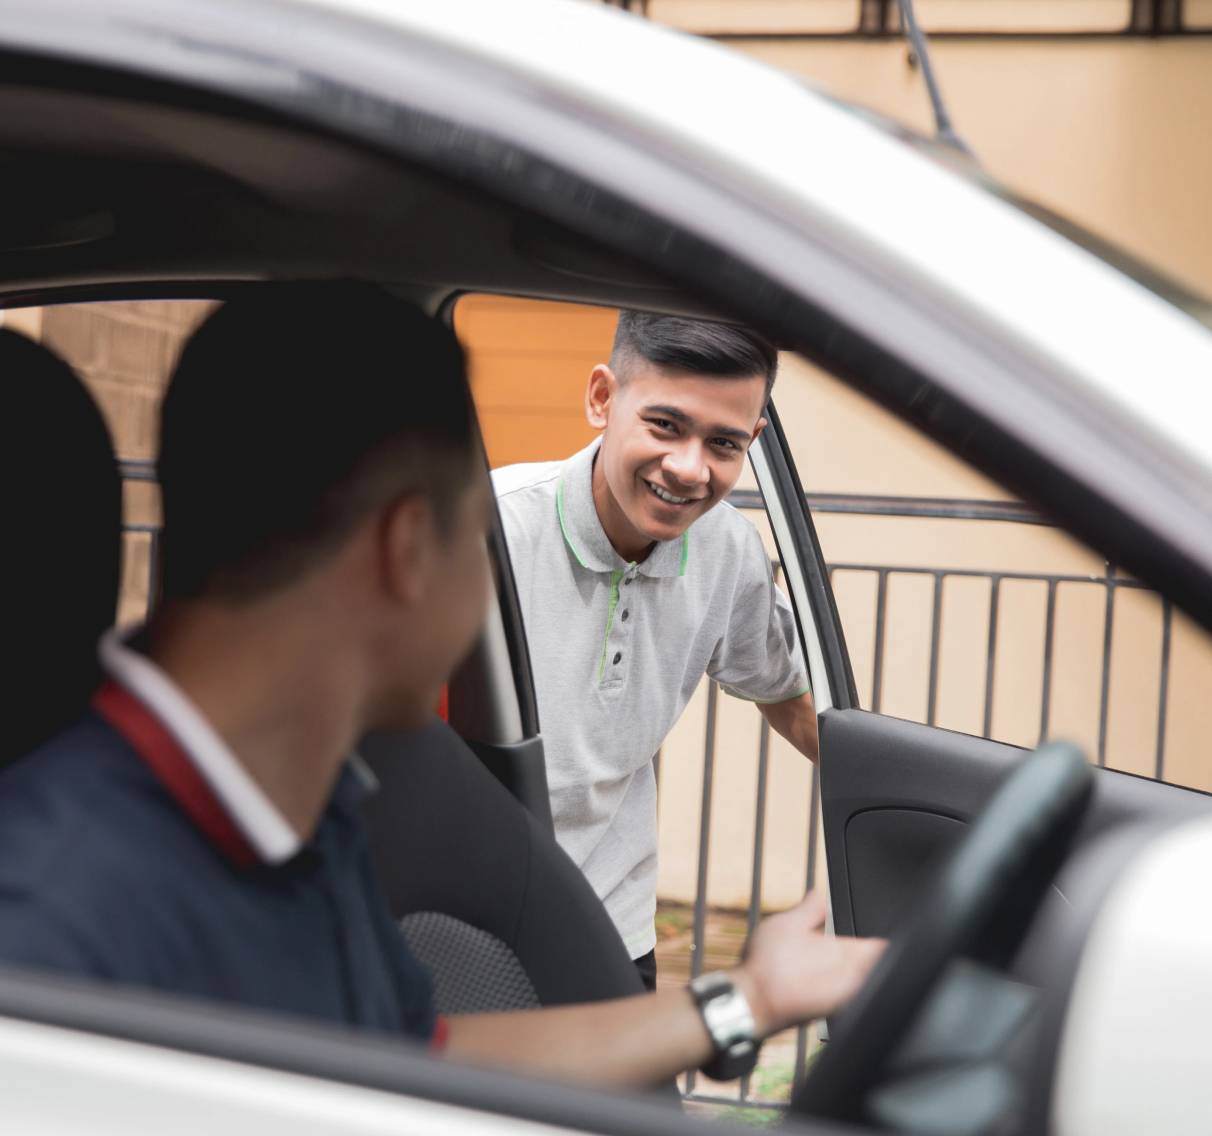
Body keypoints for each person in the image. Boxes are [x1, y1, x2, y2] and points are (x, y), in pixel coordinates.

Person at [0, 288, 880, 1089]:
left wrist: (750, 999)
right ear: (409, 549)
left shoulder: (310, 813)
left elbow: (410, 1059)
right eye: (476, 539)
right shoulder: (52, 918)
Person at [494, 312, 818, 988]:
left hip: (610, 919)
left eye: (724, 443)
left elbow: (791, 701)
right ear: (603, 400)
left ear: (752, 442)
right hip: (468, 914)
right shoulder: (493, 528)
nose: (688, 468)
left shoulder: (728, 549)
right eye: (665, 425)